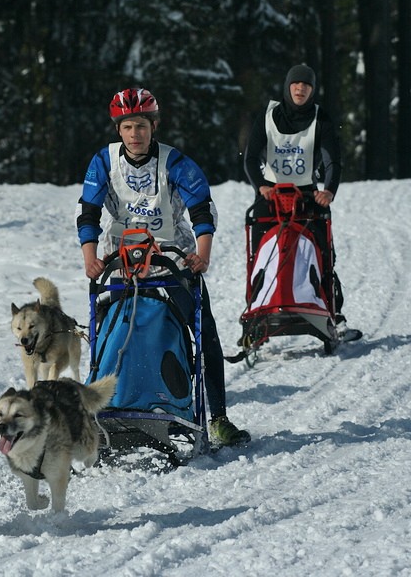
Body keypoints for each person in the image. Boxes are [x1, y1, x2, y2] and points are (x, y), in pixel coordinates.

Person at [76, 87, 250, 447]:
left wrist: (202, 253)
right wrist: (90, 258)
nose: (134, 135)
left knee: (205, 333)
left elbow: (201, 208)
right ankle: (103, 407)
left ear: (154, 126)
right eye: (127, 127)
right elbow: (88, 213)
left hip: (172, 260)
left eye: (141, 126)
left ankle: (217, 417)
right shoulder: (103, 162)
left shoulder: (175, 162)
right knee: (107, 330)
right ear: (118, 130)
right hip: (119, 263)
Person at [243, 64, 345, 321]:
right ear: (288, 87)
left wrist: (329, 191)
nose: (301, 89)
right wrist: (261, 186)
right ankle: (257, 307)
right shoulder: (267, 116)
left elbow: (333, 160)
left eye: (307, 85)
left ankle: (329, 309)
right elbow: (251, 157)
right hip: (270, 194)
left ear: (313, 90)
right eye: (296, 84)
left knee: (323, 252)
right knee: (260, 255)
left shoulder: (321, 118)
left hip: (308, 196)